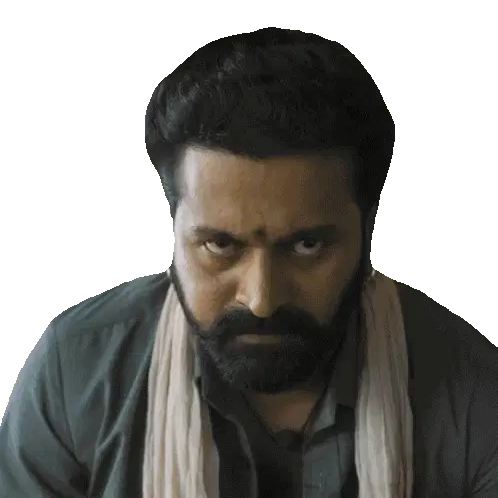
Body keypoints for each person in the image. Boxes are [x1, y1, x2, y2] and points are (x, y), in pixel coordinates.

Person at [0, 26, 497, 498]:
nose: (261, 300)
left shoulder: (472, 387)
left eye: (307, 246)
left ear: (368, 233)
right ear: (172, 232)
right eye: (220, 245)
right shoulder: (75, 375)